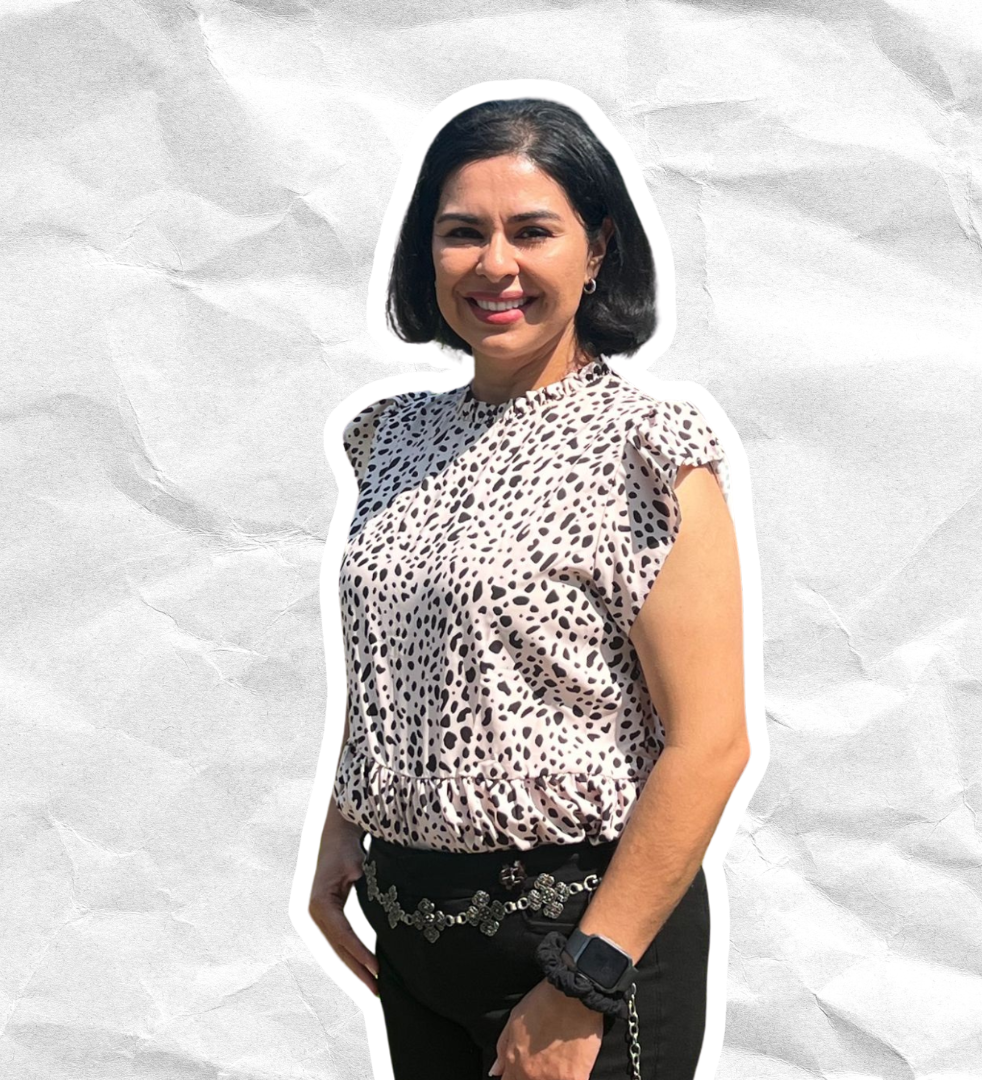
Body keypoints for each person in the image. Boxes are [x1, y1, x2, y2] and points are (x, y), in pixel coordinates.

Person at [308, 97, 749, 1080]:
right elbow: (393, 662)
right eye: (462, 233)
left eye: (532, 231)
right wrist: (345, 825)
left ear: (597, 251)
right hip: (413, 929)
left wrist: (585, 981)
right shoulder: (392, 441)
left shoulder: (646, 450)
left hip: (583, 934)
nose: (494, 265)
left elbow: (711, 742)